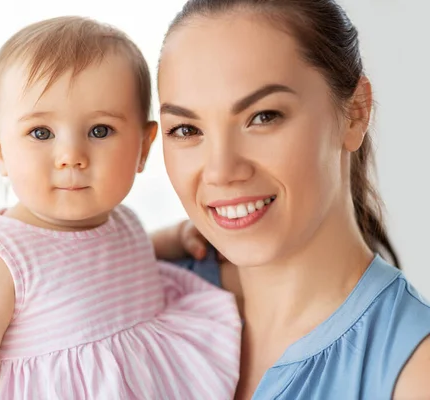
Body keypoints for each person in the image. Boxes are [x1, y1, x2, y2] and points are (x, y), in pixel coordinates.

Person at [0, 16, 242, 400]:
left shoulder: (122, 222)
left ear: (143, 146)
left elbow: (96, 265)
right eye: (41, 133)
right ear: (0, 150)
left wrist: (171, 239)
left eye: (99, 131)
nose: (71, 156)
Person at [154, 0, 430, 398]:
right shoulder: (151, 296)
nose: (220, 170)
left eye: (263, 116)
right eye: (185, 129)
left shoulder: (414, 372)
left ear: (355, 113)